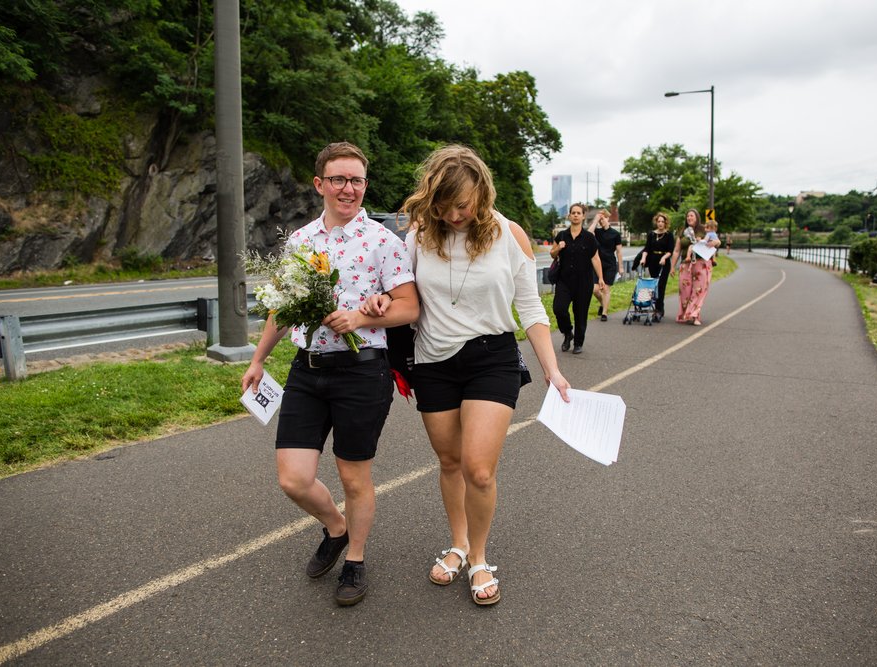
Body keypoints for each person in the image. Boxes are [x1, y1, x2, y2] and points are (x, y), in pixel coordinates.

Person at [364, 145, 571, 606]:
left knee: (479, 469)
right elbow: (400, 294)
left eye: (464, 205)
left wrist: (552, 370)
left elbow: (531, 305)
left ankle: (479, 557)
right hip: (433, 361)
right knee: (451, 462)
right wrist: (381, 303)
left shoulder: (508, 233)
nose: (455, 215)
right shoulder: (419, 236)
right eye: (445, 206)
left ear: (482, 192)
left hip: (490, 357)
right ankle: (457, 543)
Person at [241, 142, 419, 607]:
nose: (348, 188)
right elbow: (283, 306)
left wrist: (362, 320)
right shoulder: (300, 242)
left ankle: (355, 562)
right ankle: (336, 530)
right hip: (308, 370)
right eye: (338, 179)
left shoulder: (384, 242)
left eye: (356, 180)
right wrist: (258, 359)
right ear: (320, 184)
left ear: (365, 185)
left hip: (362, 374)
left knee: (354, 478)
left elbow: (408, 306)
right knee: (293, 478)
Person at [551, 203, 607, 353]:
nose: (575, 215)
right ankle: (568, 333)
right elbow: (552, 254)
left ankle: (578, 343)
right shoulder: (562, 235)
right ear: (569, 216)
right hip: (564, 281)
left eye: (578, 213)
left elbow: (595, 259)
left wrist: (600, 278)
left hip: (584, 281)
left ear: (583, 216)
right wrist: (558, 247)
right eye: (573, 213)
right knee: (559, 308)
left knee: (580, 313)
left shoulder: (589, 237)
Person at [671, 208, 720, 326]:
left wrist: (715, 243)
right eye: (688, 216)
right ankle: (685, 314)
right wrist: (672, 267)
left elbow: (717, 241)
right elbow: (676, 251)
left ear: (697, 217)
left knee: (698, 291)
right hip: (686, 264)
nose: (689, 218)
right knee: (685, 291)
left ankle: (695, 315)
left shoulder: (704, 229)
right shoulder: (682, 231)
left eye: (692, 216)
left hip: (702, 263)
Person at [587, 209, 623, 321]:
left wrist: (621, 266)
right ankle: (603, 304)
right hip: (597, 264)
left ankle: (604, 313)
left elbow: (619, 251)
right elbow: (587, 235)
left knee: (606, 289)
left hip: (610, 265)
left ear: (607, 219)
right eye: (600, 219)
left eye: (603, 218)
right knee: (595, 289)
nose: (601, 221)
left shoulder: (615, 234)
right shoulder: (597, 232)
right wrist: (595, 220)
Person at [638, 212, 675, 319]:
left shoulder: (669, 235)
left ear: (665, 223)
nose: (660, 223)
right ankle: (654, 308)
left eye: (662, 222)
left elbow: (670, 250)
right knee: (653, 285)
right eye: (658, 221)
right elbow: (646, 249)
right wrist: (643, 258)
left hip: (663, 262)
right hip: (653, 261)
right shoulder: (652, 234)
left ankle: (659, 309)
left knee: (660, 286)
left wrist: (664, 258)